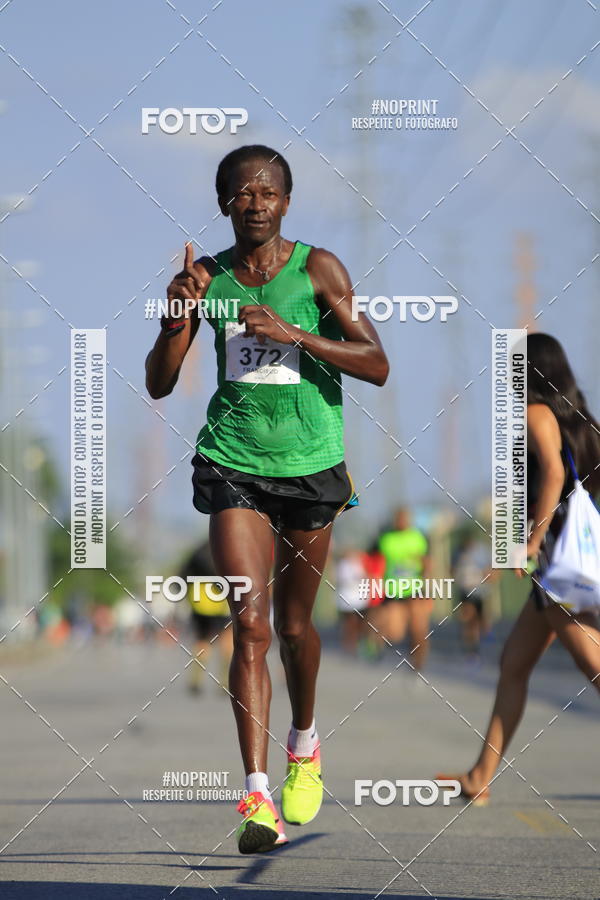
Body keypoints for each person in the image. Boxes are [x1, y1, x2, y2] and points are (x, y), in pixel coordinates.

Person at [145, 144, 389, 853]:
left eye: (268, 192)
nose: (255, 202)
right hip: (233, 465)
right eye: (241, 192)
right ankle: (257, 797)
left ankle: (304, 747)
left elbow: (375, 363)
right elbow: (161, 384)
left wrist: (296, 333)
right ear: (224, 202)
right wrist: (172, 319)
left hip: (311, 466)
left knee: (293, 629)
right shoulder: (205, 280)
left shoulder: (319, 269)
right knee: (248, 622)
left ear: (287, 201)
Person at [438, 333, 600, 804]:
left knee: (592, 662)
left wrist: (530, 541)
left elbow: (550, 474)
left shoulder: (535, 415)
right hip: (572, 553)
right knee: (514, 664)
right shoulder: (580, 421)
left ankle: (479, 776)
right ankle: (479, 776)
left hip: (556, 558)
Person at [378, 507, 432, 673]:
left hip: (415, 589)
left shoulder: (418, 537)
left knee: (419, 629)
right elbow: (377, 563)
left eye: (404, 518)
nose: (401, 522)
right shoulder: (385, 539)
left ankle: (419, 663)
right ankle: (409, 647)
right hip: (394, 590)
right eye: (398, 518)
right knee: (395, 632)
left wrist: (428, 587)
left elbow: (427, 563)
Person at [178, 542, 233, 695]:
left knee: (202, 640)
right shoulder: (227, 546)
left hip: (199, 601)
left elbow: (182, 574)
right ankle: (225, 682)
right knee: (227, 640)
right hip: (223, 600)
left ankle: (196, 680)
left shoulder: (198, 550)